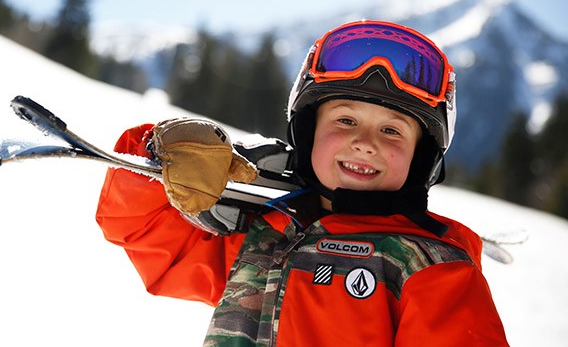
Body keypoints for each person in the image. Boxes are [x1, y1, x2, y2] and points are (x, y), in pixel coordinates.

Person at [96, 20, 509, 346]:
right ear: (308, 134)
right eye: (345, 120)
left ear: (422, 158)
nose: (365, 144)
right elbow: (141, 229)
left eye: (392, 131)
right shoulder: (264, 236)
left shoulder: (434, 272)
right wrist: (158, 152)